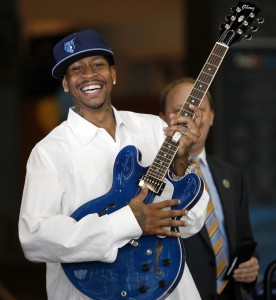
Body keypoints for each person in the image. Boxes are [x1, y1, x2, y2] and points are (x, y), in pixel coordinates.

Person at [18, 29, 209, 300]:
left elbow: (192, 223)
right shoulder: (49, 152)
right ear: (65, 83)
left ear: (114, 74)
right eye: (76, 69)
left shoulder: (155, 128)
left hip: (169, 287)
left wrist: (181, 160)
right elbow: (34, 238)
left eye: (98, 65)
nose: (89, 75)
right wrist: (129, 221)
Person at [159, 77, 259, 300]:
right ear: (163, 119)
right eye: (181, 111)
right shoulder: (152, 178)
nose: (191, 119)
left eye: (199, 110)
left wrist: (251, 266)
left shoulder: (232, 175)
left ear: (212, 116)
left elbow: (243, 240)